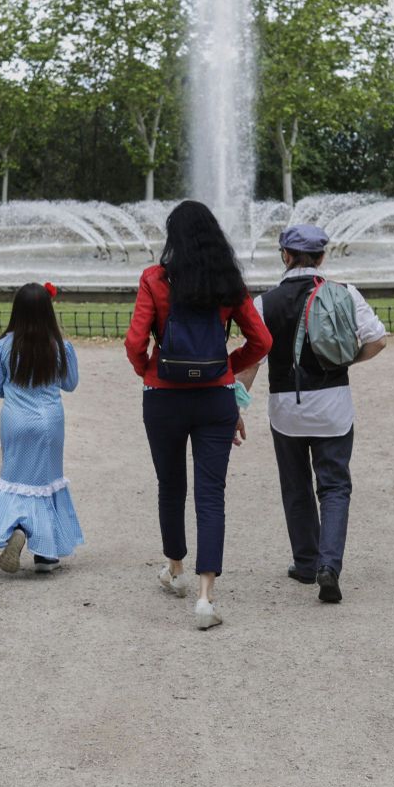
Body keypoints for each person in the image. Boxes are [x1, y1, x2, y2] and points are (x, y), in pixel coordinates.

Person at [124, 200, 272, 630]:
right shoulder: (227, 282)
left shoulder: (155, 278)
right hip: (214, 398)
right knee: (211, 494)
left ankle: (175, 570)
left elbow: (135, 342)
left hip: (164, 396)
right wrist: (227, 364)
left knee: (170, 485)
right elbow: (261, 341)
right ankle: (206, 598)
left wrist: (148, 370)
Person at [237, 224, 387, 604]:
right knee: (335, 485)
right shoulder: (344, 293)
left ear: (285, 256)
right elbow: (377, 340)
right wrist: (345, 362)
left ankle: (306, 563)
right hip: (333, 404)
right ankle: (329, 565)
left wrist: (235, 407)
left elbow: (252, 362)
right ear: (322, 257)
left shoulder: (264, 303)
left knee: (296, 485)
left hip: (286, 408)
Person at [0, 282, 84, 574]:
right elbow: (70, 384)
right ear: (48, 311)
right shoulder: (60, 347)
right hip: (50, 422)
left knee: (16, 480)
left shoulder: (3, 347)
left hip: (16, 420)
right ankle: (45, 554)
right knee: (46, 483)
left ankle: (18, 527)